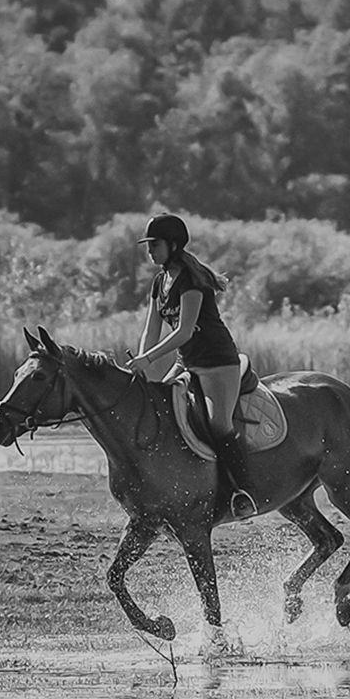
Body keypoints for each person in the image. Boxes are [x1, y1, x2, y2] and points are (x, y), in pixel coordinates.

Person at [131, 214, 258, 520]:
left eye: (156, 245)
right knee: (162, 411)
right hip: (187, 363)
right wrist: (141, 368)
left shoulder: (191, 280)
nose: (151, 251)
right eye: (148, 246)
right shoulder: (160, 282)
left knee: (218, 425)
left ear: (173, 245)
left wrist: (148, 359)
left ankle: (242, 493)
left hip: (218, 362)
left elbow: (184, 331)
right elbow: (151, 330)